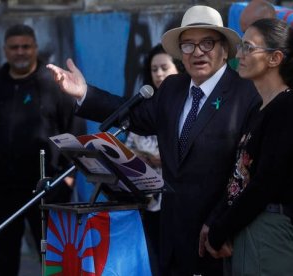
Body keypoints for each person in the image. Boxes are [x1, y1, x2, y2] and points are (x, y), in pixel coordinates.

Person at [47, 5, 261, 276]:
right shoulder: (173, 88)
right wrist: (84, 93)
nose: (197, 52)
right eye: (188, 45)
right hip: (171, 235)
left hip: (217, 238)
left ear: (224, 49)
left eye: (207, 43)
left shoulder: (246, 94)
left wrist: (221, 223)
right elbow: (133, 115)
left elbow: (247, 171)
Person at [0, 24, 85, 276]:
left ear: (35, 48)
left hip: (49, 188)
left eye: (26, 46)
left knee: (54, 261)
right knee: (3, 259)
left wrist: (68, 180)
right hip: (0, 191)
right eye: (14, 47)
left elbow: (76, 131)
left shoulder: (54, 83)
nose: (20, 52)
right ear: (5, 50)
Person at [199, 18, 293, 275]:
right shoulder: (258, 108)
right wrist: (217, 221)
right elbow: (239, 177)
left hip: (268, 230)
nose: (239, 54)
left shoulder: (286, 108)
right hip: (246, 226)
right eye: (241, 46)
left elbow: (265, 182)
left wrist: (220, 230)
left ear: (275, 58)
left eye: (249, 47)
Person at [124, 43, 183, 276]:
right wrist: (146, 157)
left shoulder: (187, 104)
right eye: (154, 69)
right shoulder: (142, 106)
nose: (159, 74)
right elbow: (127, 148)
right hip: (148, 199)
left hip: (177, 199)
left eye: (164, 68)